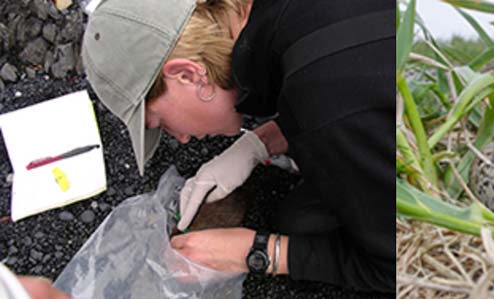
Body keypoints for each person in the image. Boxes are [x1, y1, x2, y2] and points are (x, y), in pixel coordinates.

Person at [82, 0, 393, 292]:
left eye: (161, 122)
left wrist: (259, 252)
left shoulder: (327, 105)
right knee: (301, 217)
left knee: (301, 226)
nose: (181, 138)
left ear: (188, 75)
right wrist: (261, 142)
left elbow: (394, 265)